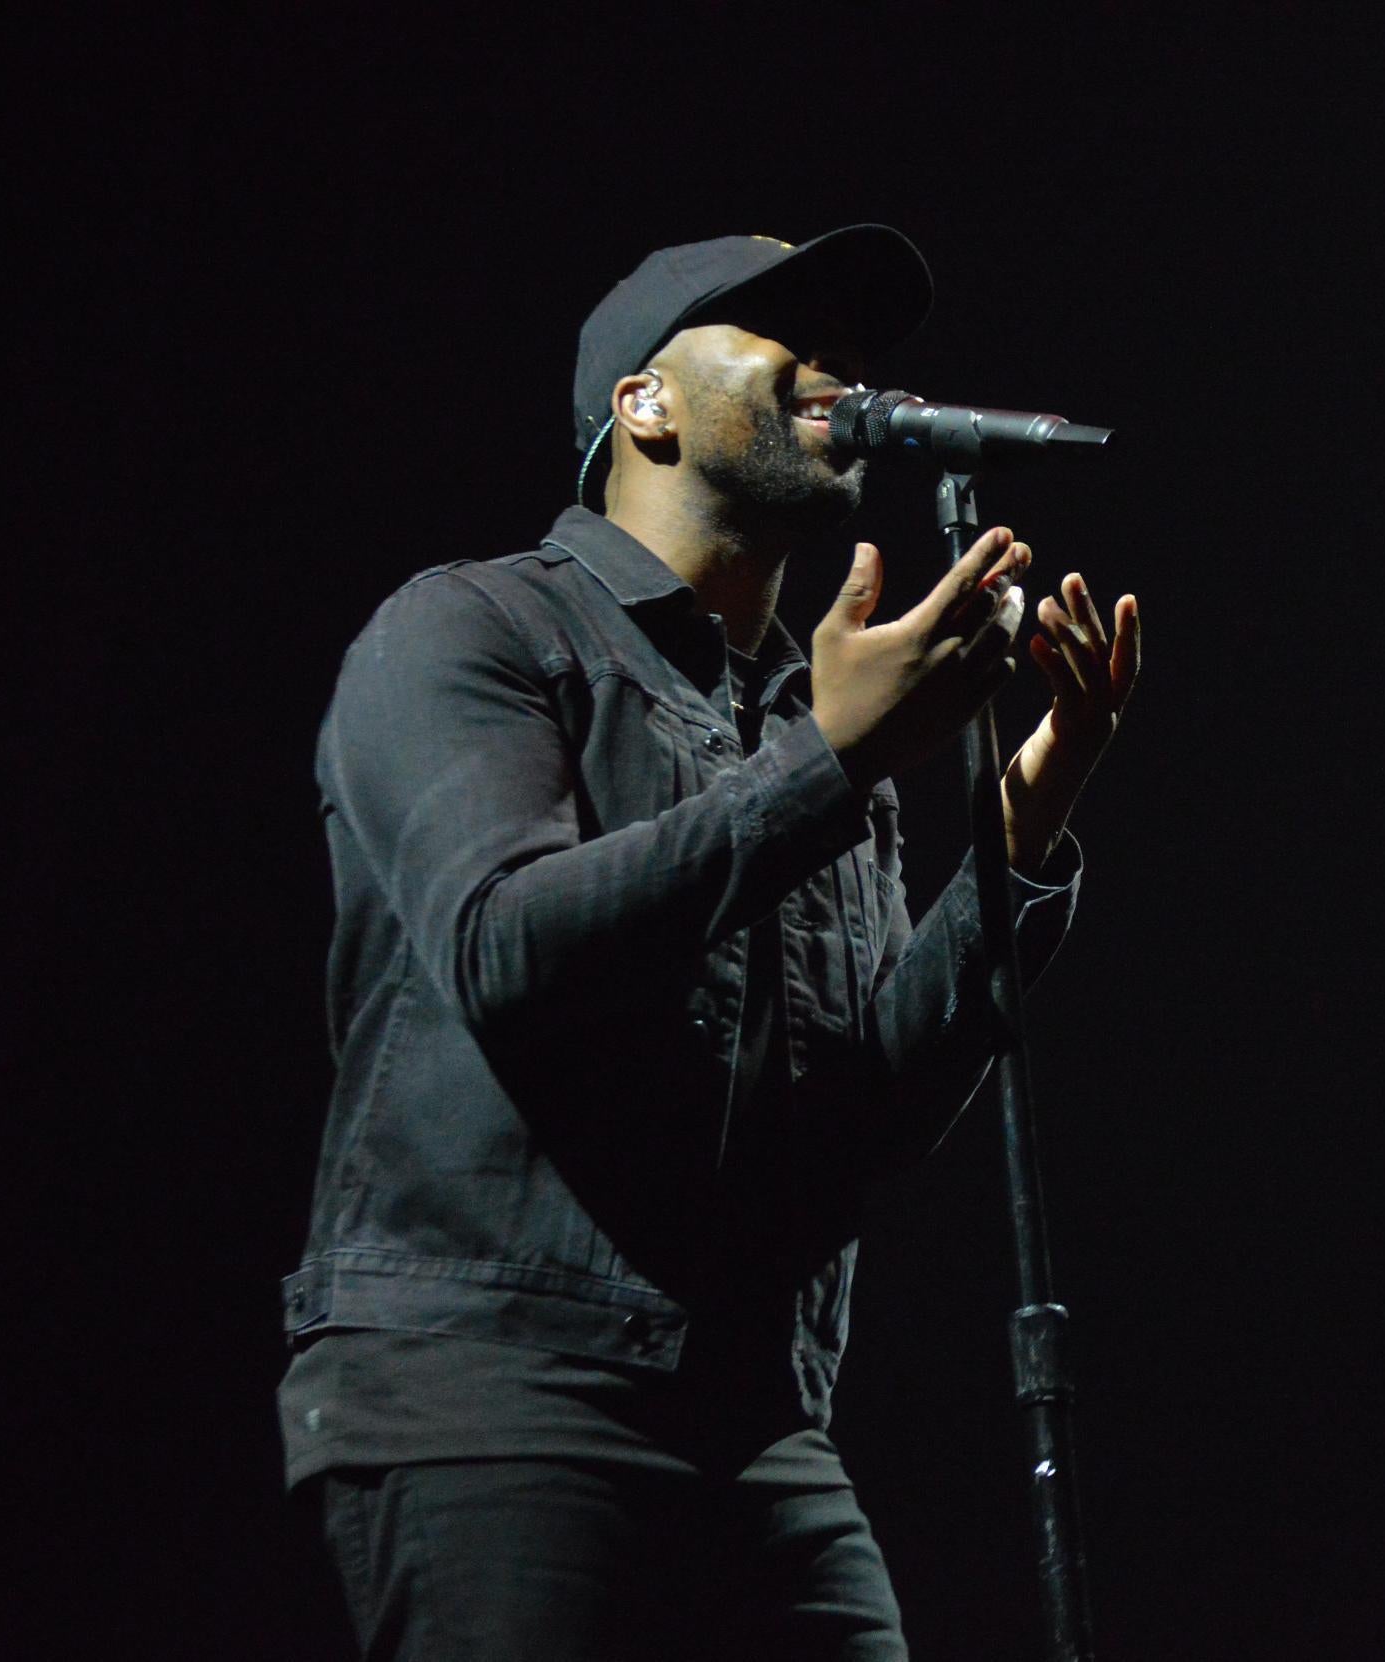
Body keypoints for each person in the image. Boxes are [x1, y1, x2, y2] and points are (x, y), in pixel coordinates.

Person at [275, 225, 1140, 1660]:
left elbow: (861, 1114)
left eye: (854, 351)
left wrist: (1020, 826)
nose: (840, 371)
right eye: (780, 334)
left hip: (757, 1426)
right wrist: (831, 761)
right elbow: (506, 947)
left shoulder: (808, 724)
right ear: (645, 404)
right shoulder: (472, 632)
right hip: (501, 1391)